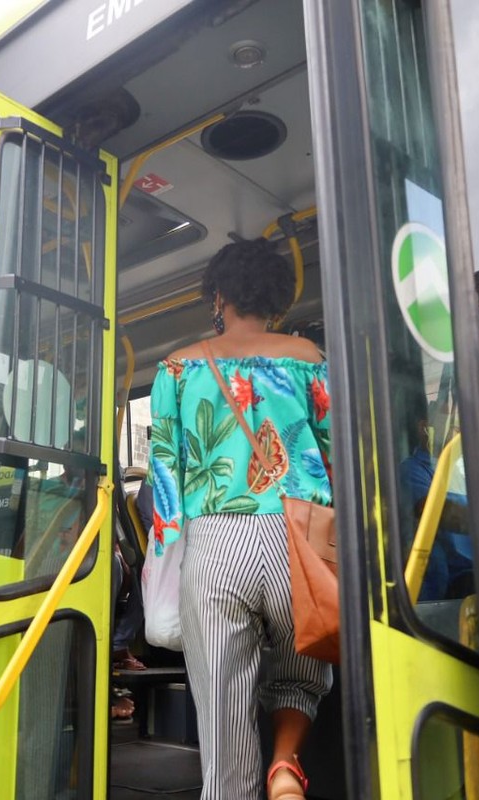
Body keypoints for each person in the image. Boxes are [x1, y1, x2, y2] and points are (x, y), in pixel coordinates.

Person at [147, 238, 332, 800]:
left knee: (223, 708)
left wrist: (169, 555)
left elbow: (164, 479)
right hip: (296, 538)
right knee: (303, 674)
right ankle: (284, 765)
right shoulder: (310, 359)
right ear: (277, 298)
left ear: (218, 296)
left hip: (216, 545)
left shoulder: (176, 369)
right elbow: (335, 451)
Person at [398, 417, 473, 600]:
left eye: (457, 426)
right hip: (451, 584)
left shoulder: (460, 468)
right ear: (423, 427)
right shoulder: (412, 469)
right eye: (450, 424)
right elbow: (435, 512)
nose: (456, 432)